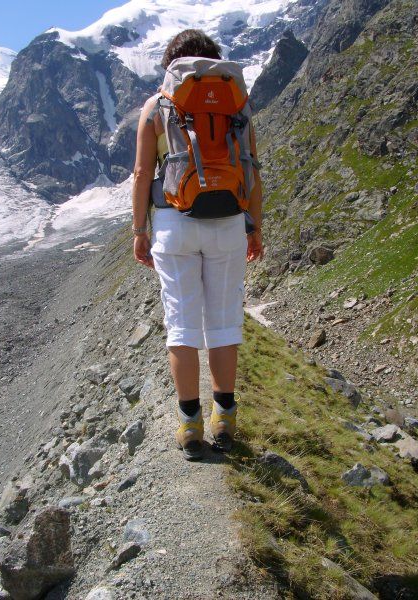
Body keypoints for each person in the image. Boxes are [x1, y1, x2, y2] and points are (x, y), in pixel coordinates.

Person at [132, 29, 263, 460]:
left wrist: (140, 230)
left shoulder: (157, 106)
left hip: (175, 224)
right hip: (228, 223)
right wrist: (254, 227)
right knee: (224, 323)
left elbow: (142, 174)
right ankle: (224, 417)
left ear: (171, 64)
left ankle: (190, 424)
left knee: (182, 326)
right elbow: (252, 169)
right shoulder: (237, 104)